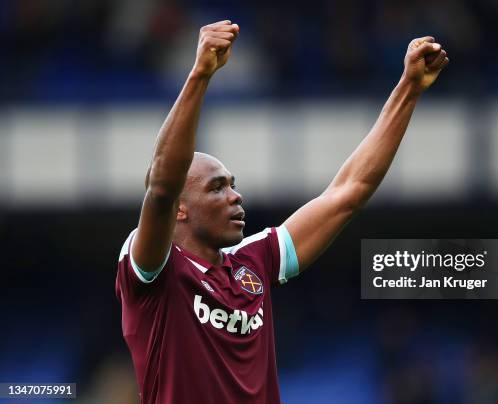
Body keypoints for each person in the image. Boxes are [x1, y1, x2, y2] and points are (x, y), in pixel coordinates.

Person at [115, 19, 448, 404]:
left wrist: (408, 88)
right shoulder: (154, 271)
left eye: (233, 185)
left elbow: (347, 193)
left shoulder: (254, 261)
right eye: (217, 188)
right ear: (180, 210)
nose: (236, 197)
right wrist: (199, 75)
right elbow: (161, 186)